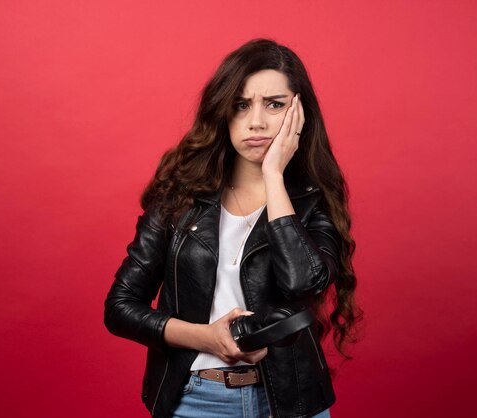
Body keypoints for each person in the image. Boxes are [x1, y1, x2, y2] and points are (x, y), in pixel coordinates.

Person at [104, 38, 363, 418]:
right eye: (241, 105)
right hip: (198, 400)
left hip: (292, 403)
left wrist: (274, 176)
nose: (256, 121)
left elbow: (302, 284)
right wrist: (206, 337)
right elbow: (120, 307)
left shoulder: (314, 197)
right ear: (223, 112)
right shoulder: (180, 193)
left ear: (299, 112)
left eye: (274, 105)